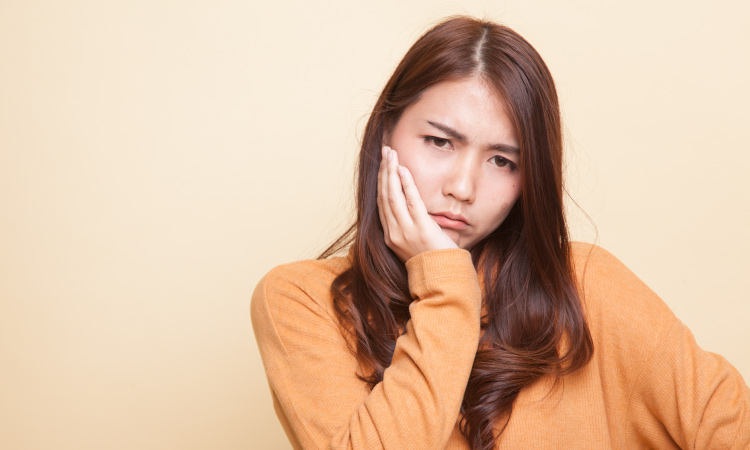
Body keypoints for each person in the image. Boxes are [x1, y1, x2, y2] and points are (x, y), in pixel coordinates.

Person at [251, 16, 749, 450]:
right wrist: (445, 283)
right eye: (440, 141)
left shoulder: (586, 285)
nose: (463, 188)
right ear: (385, 134)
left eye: (502, 160)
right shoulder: (302, 302)